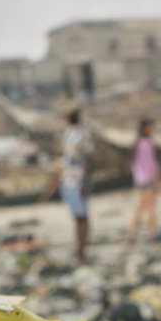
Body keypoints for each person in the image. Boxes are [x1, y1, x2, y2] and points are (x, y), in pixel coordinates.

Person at [59, 109, 95, 263]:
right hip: (77, 180)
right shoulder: (81, 134)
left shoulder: (69, 134)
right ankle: (81, 250)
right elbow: (89, 158)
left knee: (78, 217)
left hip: (70, 180)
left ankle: (80, 249)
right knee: (82, 218)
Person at [127, 117, 160, 243]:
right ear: (146, 128)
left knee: (138, 209)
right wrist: (157, 181)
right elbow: (151, 165)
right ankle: (151, 235)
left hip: (139, 180)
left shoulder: (137, 144)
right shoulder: (147, 144)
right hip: (147, 180)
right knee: (150, 209)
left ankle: (133, 234)